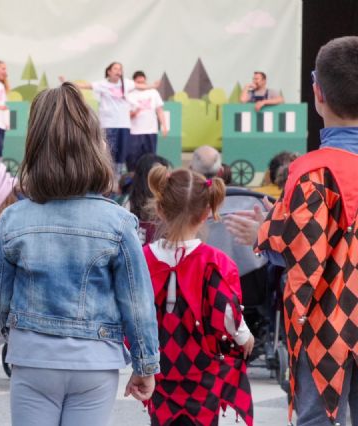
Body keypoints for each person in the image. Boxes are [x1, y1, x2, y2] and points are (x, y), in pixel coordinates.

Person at [0, 82, 160, 426]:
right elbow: (137, 304)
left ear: (34, 148)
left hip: (33, 356)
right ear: (96, 147)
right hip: (96, 360)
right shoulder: (119, 222)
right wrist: (145, 364)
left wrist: (17, 331)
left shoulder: (13, 219)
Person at [256, 36, 358, 426]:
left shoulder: (311, 172)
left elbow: (299, 254)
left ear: (318, 92)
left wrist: (263, 230)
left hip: (326, 327)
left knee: (318, 419)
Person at [144, 165, 254, 425]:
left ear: (159, 209)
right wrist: (244, 336)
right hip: (202, 372)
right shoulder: (215, 262)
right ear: (207, 213)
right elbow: (227, 312)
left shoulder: (143, 257)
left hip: (159, 367)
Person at [60, 62, 158, 176]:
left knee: (122, 153)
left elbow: (141, 86)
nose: (118, 71)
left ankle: (118, 178)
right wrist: (66, 82)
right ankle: (107, 176)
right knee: (108, 152)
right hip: (108, 124)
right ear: (109, 71)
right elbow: (85, 86)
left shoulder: (126, 83)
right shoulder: (102, 84)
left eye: (120, 69)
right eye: (115, 68)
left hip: (124, 124)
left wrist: (153, 86)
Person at [126, 71, 168, 171]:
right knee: (133, 158)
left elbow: (160, 111)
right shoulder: (129, 94)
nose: (141, 84)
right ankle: (132, 178)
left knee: (150, 158)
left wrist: (164, 126)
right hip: (134, 132)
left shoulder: (153, 93)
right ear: (134, 82)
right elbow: (125, 115)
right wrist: (133, 114)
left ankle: (148, 178)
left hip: (151, 131)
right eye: (138, 82)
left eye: (143, 82)